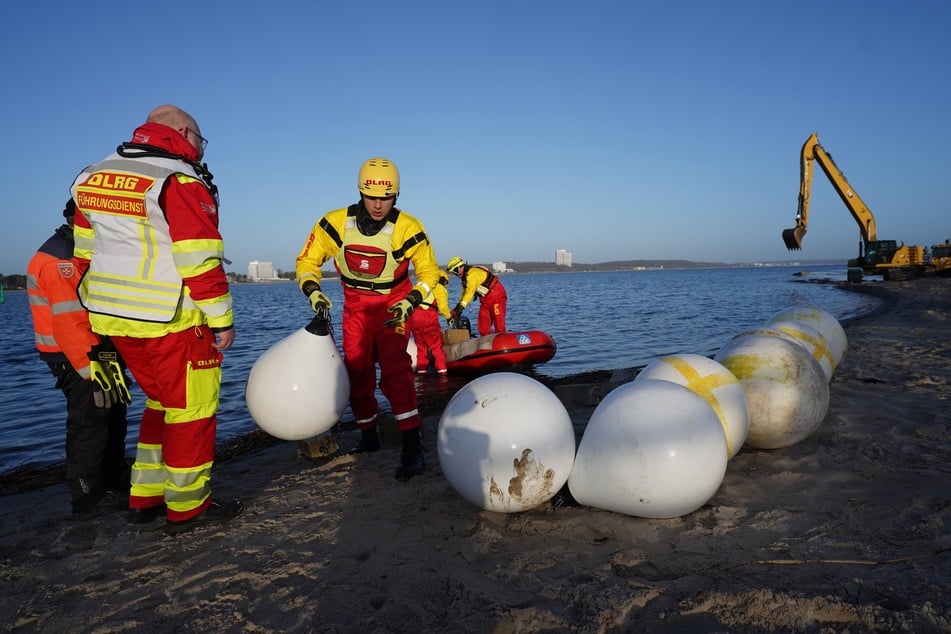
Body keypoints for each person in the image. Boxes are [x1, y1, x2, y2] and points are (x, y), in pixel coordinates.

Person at [70, 104, 243, 531]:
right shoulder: (178, 180)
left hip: (115, 319)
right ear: (184, 132)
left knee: (161, 404)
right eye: (201, 140)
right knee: (192, 411)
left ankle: (144, 497)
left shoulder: (91, 176)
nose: (202, 150)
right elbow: (199, 260)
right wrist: (222, 320)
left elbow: (83, 253)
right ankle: (188, 506)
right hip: (172, 320)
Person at [296, 157, 440, 481]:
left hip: (394, 305)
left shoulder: (408, 228)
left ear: (396, 196)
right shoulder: (334, 223)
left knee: (396, 372)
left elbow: (430, 271)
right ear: (360, 192)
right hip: (355, 306)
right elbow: (307, 260)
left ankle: (412, 446)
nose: (378, 205)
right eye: (371, 197)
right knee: (357, 372)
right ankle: (369, 436)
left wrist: (412, 301)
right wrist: (312, 290)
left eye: (386, 198)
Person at [27, 199, 131, 516]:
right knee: (90, 421)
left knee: (113, 415)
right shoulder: (61, 260)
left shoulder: (78, 251)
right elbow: (70, 320)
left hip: (98, 349)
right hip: (78, 355)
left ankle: (114, 478)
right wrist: (91, 370)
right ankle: (88, 493)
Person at [445, 257, 508, 336]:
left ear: (460, 267)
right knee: (483, 328)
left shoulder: (472, 275)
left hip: (497, 296)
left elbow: (469, 292)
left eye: (455, 271)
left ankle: (502, 339)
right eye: (453, 273)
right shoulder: (466, 279)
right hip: (485, 300)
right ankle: (487, 344)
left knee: (499, 326)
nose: (456, 274)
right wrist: (457, 308)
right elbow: (464, 294)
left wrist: (461, 307)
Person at [410, 269, 452, 374]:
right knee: (436, 349)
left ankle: (421, 374)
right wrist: (449, 318)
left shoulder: (420, 285)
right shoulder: (439, 288)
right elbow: (443, 308)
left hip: (415, 320)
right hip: (429, 321)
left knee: (421, 350)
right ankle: (443, 375)